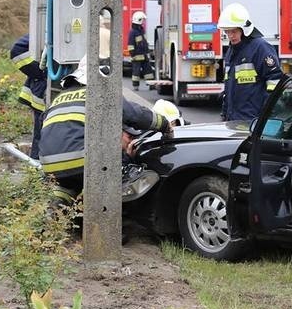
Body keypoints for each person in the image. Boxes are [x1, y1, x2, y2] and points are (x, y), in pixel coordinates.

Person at [38, 55, 172, 207]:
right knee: (128, 168)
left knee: (67, 185)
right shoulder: (100, 92)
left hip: (50, 164)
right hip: (84, 161)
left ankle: (57, 214)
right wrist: (164, 124)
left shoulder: (59, 97)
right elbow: (135, 114)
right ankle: (117, 207)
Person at [218, 3, 283, 121]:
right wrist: (224, 115)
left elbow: (275, 82)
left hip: (253, 120)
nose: (230, 36)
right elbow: (229, 87)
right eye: (227, 32)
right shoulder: (231, 51)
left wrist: (267, 115)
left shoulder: (260, 48)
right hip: (233, 120)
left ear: (244, 29)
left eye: (234, 31)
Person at [10, 34, 47, 159]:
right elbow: (17, 50)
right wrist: (41, 72)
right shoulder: (48, 29)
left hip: (50, 93)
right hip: (44, 95)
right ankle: (39, 172)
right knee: (42, 136)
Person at [127, 10, 155, 91]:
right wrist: (133, 55)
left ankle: (151, 84)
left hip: (144, 55)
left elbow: (144, 43)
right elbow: (131, 45)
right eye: (142, 20)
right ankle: (135, 86)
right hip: (137, 56)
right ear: (138, 20)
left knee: (148, 71)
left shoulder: (141, 31)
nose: (143, 22)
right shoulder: (133, 32)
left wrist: (148, 52)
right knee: (136, 72)